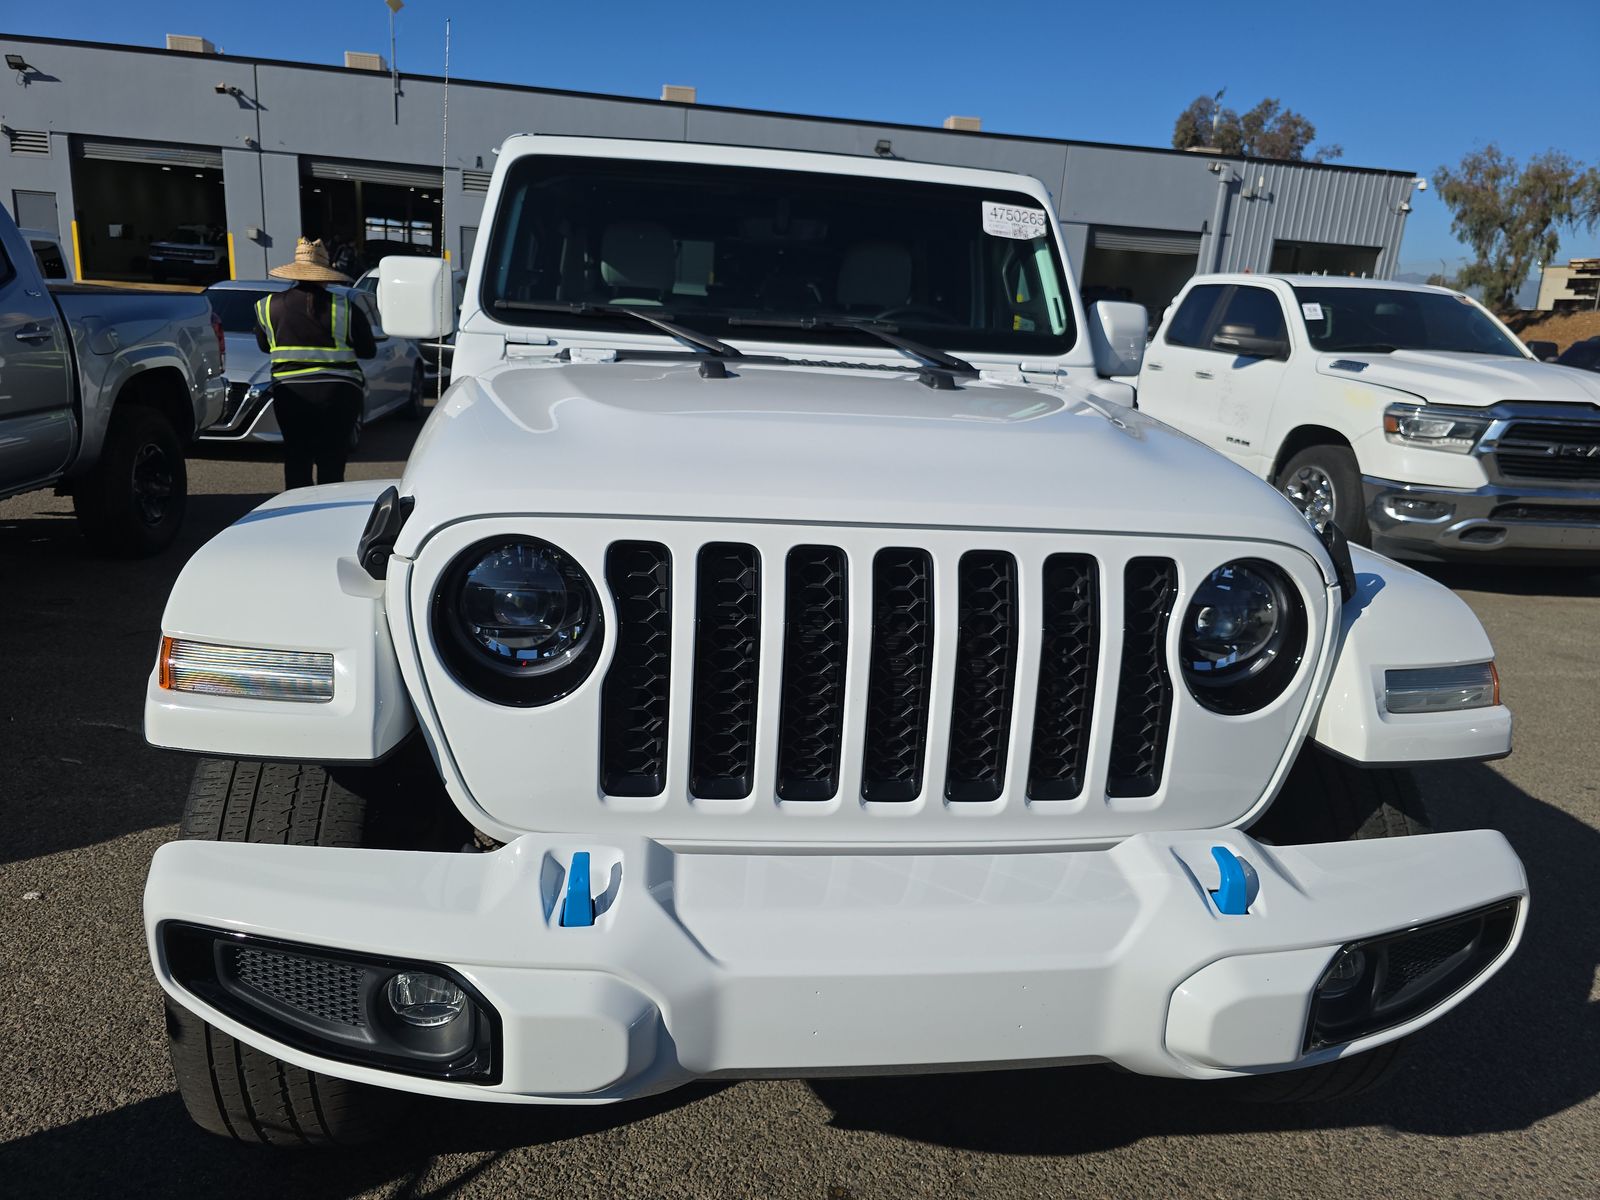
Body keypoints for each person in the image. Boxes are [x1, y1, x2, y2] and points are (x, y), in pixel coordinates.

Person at [253, 238, 376, 490]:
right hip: (340, 395)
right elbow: (368, 350)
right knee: (332, 460)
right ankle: (330, 516)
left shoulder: (267, 306)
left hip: (290, 394)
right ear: (326, 275)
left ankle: (299, 516)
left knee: (297, 457)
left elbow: (265, 346)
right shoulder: (345, 307)